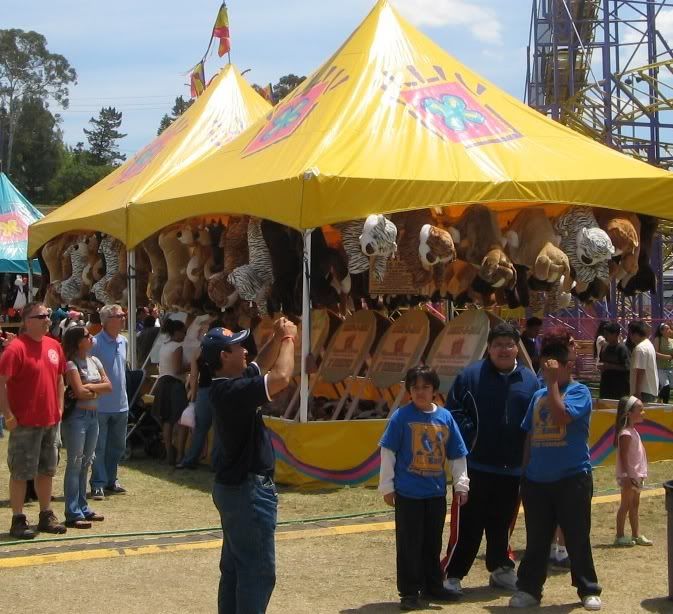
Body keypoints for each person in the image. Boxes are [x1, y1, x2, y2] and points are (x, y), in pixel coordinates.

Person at [203, 318, 297, 614]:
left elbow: (259, 365)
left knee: (235, 568)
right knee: (257, 573)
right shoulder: (233, 392)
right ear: (224, 356)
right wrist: (289, 340)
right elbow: (281, 377)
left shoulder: (227, 386)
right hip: (249, 492)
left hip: (234, 489)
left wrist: (275, 338)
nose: (245, 350)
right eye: (238, 347)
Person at [442, 323, 540, 595]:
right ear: (488, 348)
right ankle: (453, 574)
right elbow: (454, 412)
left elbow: (535, 420)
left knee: (502, 522)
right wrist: (472, 437)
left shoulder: (530, 380)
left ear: (517, 348)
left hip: (512, 468)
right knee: (468, 524)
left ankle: (500, 568)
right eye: (498, 345)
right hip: (476, 465)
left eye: (509, 344)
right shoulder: (470, 376)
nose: (503, 350)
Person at [511, 336, 602, 611]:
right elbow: (529, 434)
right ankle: (529, 589)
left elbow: (562, 416)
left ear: (566, 365)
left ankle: (588, 588)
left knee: (577, 536)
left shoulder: (579, 392)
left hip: (572, 477)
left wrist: (551, 384)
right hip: (537, 480)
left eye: (552, 367)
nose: (546, 372)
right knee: (537, 540)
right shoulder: (538, 396)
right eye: (544, 367)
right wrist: (524, 473)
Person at [379, 365, 469, 611]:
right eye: (415, 387)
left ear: (434, 390)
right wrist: (387, 486)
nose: (420, 392)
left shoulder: (445, 417)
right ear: (409, 390)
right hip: (408, 494)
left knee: (432, 543)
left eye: (425, 387)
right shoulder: (400, 417)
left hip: (435, 493)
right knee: (409, 544)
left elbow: (457, 454)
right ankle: (409, 591)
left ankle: (432, 585)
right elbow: (388, 452)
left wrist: (461, 484)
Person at [0, 302, 67, 539]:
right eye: (42, 316)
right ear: (28, 321)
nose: (48, 319)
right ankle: (18, 519)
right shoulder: (16, 348)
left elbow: (59, 379)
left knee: (47, 470)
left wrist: (59, 408)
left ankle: (46, 515)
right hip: (24, 423)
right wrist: (8, 415)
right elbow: (2, 383)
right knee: (20, 472)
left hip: (50, 420)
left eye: (48, 315)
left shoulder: (54, 345)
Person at [61, 326, 112, 528]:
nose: (91, 338)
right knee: (75, 464)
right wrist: (95, 389)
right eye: (87, 336)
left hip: (93, 416)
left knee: (86, 463)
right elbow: (79, 392)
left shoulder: (95, 361)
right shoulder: (71, 364)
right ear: (77, 342)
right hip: (77, 417)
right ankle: (73, 511)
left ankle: (83, 506)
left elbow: (108, 386)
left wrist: (89, 387)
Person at [90, 304, 129, 501]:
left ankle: (111, 480)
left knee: (117, 446)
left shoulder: (124, 341)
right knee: (99, 447)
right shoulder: (94, 343)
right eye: (119, 316)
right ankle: (98, 483)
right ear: (106, 321)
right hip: (100, 405)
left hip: (121, 404)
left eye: (123, 315)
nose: (123, 318)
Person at [177, 319, 226, 470]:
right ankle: (216, 463)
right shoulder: (224, 350)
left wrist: (193, 398)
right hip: (221, 389)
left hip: (204, 391)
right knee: (219, 429)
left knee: (200, 428)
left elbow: (193, 377)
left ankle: (190, 459)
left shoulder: (199, 350)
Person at [613, 395, 652, 547]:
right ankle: (620, 536)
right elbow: (623, 457)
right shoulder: (626, 434)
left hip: (637, 476)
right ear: (629, 413)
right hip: (629, 477)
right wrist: (627, 476)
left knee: (635, 505)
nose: (643, 412)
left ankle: (636, 534)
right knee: (625, 505)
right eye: (640, 410)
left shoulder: (633, 431)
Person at [153, 319, 189, 466]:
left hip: (162, 383)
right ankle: (180, 454)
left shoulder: (164, 346)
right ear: (177, 332)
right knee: (182, 420)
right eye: (184, 332)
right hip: (174, 384)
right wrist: (192, 366)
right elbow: (177, 369)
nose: (185, 335)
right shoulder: (177, 346)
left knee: (167, 420)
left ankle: (169, 453)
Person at [628, 320, 658, 403]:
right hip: (650, 389)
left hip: (642, 391)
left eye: (631, 334)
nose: (630, 337)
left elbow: (640, 371)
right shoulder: (649, 344)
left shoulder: (640, 349)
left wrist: (637, 393)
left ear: (636, 334)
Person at [597, 322, 630, 399]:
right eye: (604, 334)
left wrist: (609, 366)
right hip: (606, 386)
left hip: (619, 388)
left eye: (607, 334)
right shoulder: (604, 347)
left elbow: (627, 367)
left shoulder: (622, 349)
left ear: (615, 334)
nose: (605, 336)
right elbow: (601, 361)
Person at [652, 322, 673, 404]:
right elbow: (655, 353)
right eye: (667, 329)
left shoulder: (672, 341)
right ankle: (662, 401)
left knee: (669, 387)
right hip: (660, 368)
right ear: (661, 331)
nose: (669, 330)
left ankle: (663, 401)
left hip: (670, 367)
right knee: (666, 386)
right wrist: (667, 357)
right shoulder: (658, 339)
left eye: (669, 328)